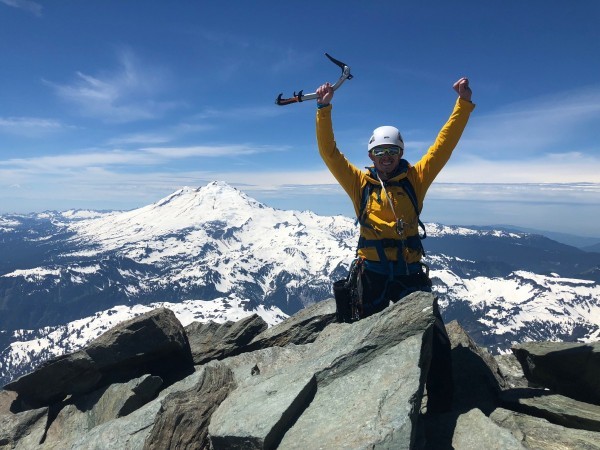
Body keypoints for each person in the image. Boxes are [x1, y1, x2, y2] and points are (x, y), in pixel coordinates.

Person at [315, 77, 475, 412]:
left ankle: (443, 409)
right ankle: (361, 407)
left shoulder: (416, 178)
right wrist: (324, 109)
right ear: (371, 155)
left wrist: (462, 105)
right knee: (363, 342)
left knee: (435, 339)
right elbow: (329, 153)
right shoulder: (359, 183)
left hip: (408, 272)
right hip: (370, 273)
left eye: (392, 151)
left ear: (400, 153)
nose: (385, 157)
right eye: (379, 152)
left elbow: (443, 146)